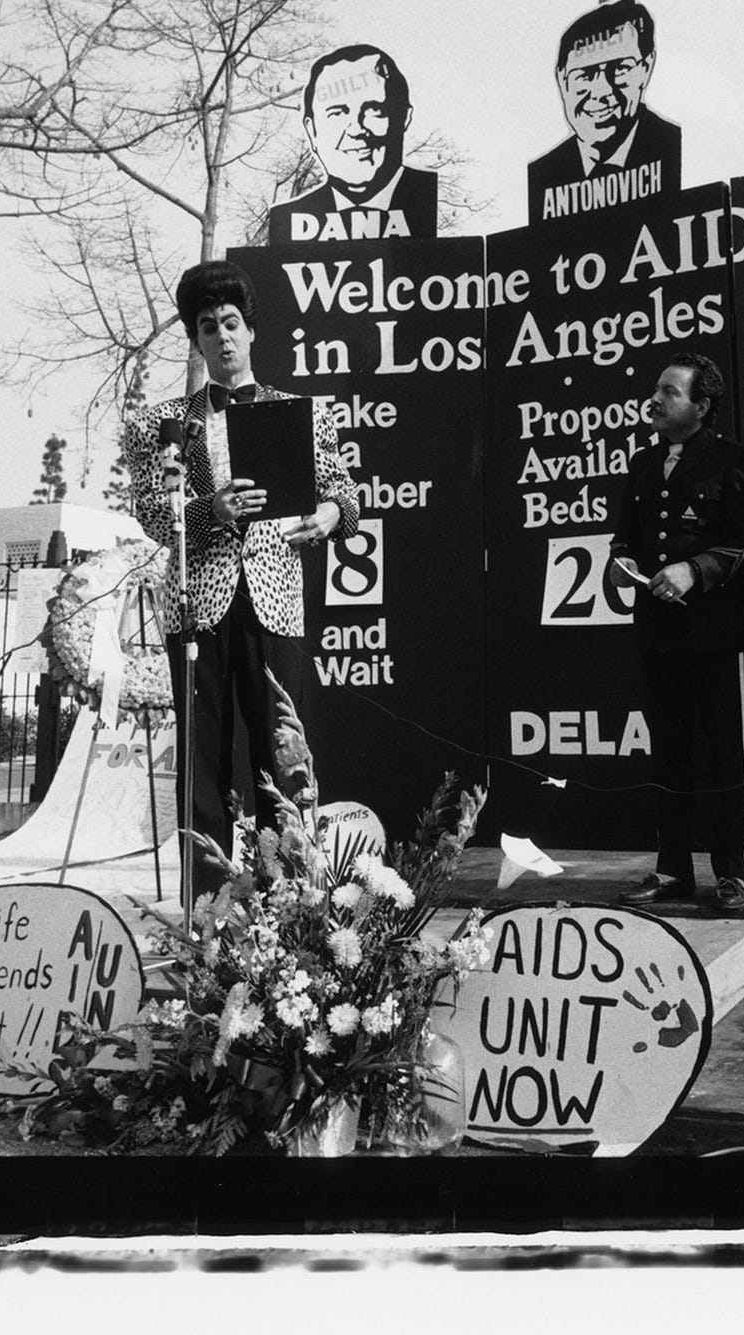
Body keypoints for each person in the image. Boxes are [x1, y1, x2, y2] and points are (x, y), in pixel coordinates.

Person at [122, 260, 363, 900]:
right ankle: (205, 909)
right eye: (208, 327)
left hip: (275, 600)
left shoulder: (302, 413)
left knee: (284, 755)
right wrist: (211, 509)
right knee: (203, 761)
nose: (222, 337)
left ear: (251, 331)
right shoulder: (165, 423)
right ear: (196, 341)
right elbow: (152, 509)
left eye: (231, 323)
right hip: (198, 606)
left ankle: (289, 905)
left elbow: (344, 494)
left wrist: (330, 516)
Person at [604, 355, 744, 910]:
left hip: (717, 634)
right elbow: (626, 537)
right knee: (668, 753)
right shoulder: (643, 464)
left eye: (670, 392)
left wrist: (695, 570)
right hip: (658, 633)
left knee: (725, 754)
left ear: (701, 406)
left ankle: (732, 873)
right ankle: (672, 870)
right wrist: (618, 564)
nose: (656, 400)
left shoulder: (737, 462)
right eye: (656, 389)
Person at [526, 0, 684, 224]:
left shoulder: (667, 142)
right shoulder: (546, 173)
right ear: (562, 80)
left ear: (646, 68)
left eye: (620, 69)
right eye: (585, 75)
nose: (601, 91)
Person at [269, 44, 440, 241]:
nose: (356, 129)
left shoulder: (424, 199)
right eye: (337, 113)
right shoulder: (288, 221)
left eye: (375, 110)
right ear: (311, 130)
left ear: (404, 118)